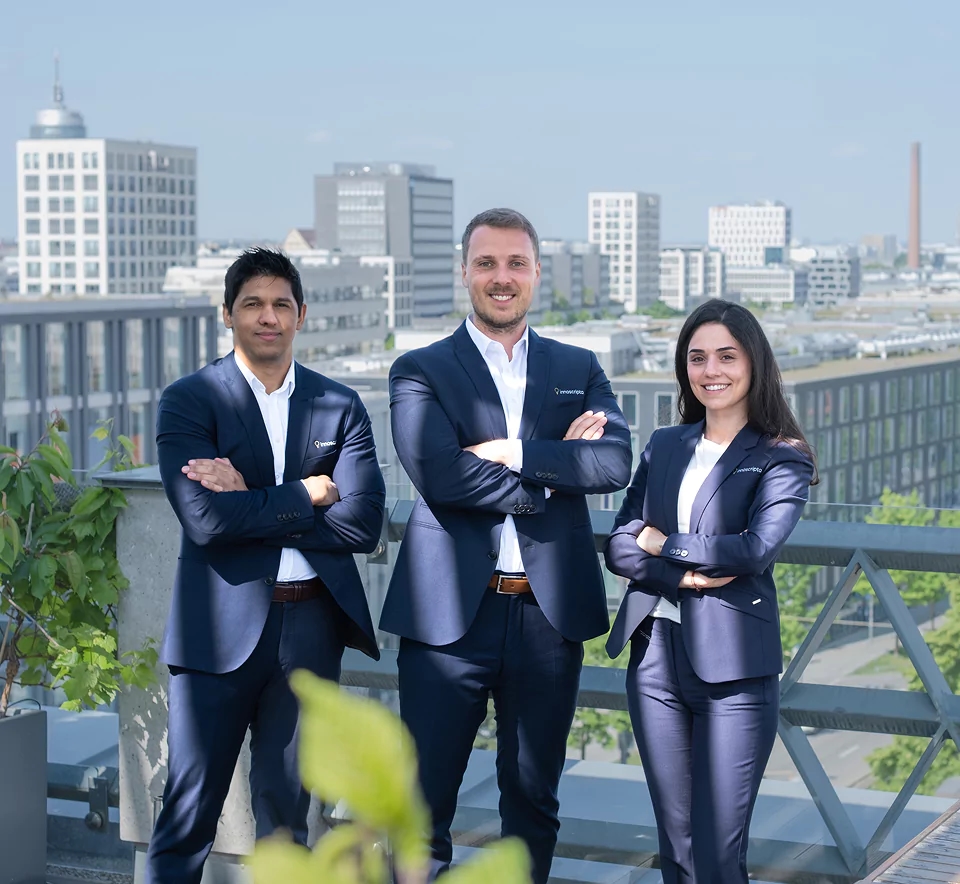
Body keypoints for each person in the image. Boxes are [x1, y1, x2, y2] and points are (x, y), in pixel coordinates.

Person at [379, 208, 632, 884]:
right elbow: (437, 472)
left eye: (515, 263)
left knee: (533, 800)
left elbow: (612, 465)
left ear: (536, 274)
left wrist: (512, 450)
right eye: (486, 263)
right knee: (420, 806)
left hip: (548, 623)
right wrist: (546, 480)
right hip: (445, 622)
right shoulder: (420, 370)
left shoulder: (579, 367)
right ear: (465, 271)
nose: (501, 277)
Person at [145, 248, 386, 883]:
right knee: (188, 810)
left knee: (288, 816)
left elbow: (362, 524)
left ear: (301, 315)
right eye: (252, 303)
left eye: (281, 304)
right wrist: (308, 493)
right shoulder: (190, 400)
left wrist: (248, 495)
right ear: (228, 314)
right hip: (217, 633)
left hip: (311, 629)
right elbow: (205, 521)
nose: (268, 317)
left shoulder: (340, 404)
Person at [604, 299, 816, 884]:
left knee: (720, 856)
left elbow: (754, 550)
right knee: (678, 847)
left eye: (727, 355)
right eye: (697, 358)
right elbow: (618, 544)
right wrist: (686, 575)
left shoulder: (781, 455)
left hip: (734, 672)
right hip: (654, 659)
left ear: (754, 363)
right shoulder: (666, 445)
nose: (711, 370)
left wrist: (663, 543)